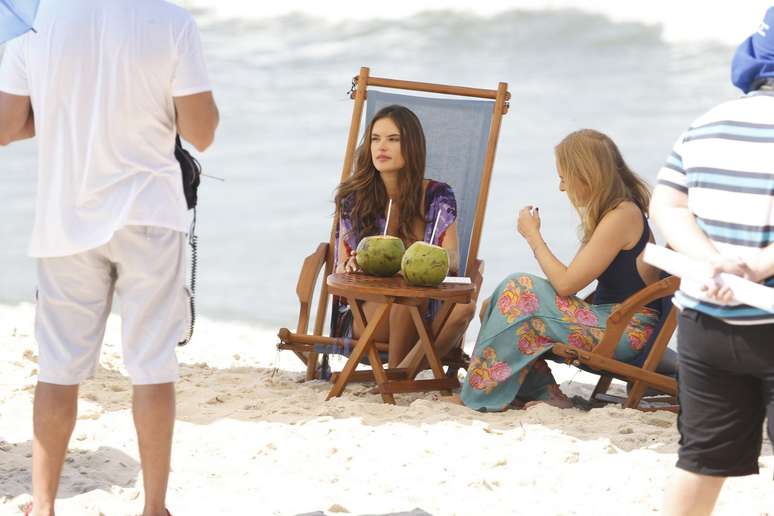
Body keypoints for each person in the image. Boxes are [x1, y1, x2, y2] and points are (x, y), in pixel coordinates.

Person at [0, 1, 219, 515]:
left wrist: (59, 113)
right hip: (150, 213)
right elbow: (202, 132)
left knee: (58, 367)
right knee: (152, 364)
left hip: (65, 219)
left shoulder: (33, 24)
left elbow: (6, 125)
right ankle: (154, 507)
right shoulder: (172, 22)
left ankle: (46, 504)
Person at [651, 8, 774, 516]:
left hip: (706, 320)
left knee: (701, 462)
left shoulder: (707, 123)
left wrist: (715, 261)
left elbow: (666, 205)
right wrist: (758, 266)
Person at [460, 129, 663, 411]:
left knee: (517, 288)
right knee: (494, 304)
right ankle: (543, 391)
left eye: (563, 177)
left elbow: (566, 285)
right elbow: (570, 283)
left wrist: (533, 237)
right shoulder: (610, 214)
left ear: (586, 175)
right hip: (608, 321)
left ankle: (479, 396)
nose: (562, 188)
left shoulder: (623, 216)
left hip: (626, 331)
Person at [333, 104, 476, 369]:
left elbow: (453, 260)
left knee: (464, 309)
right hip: (366, 313)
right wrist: (354, 266)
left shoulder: (437, 196)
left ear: (411, 146)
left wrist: (411, 267)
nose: (381, 147)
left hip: (424, 311)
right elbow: (342, 267)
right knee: (402, 299)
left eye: (393, 139)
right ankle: (401, 375)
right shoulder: (353, 199)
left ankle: (401, 375)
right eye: (375, 139)